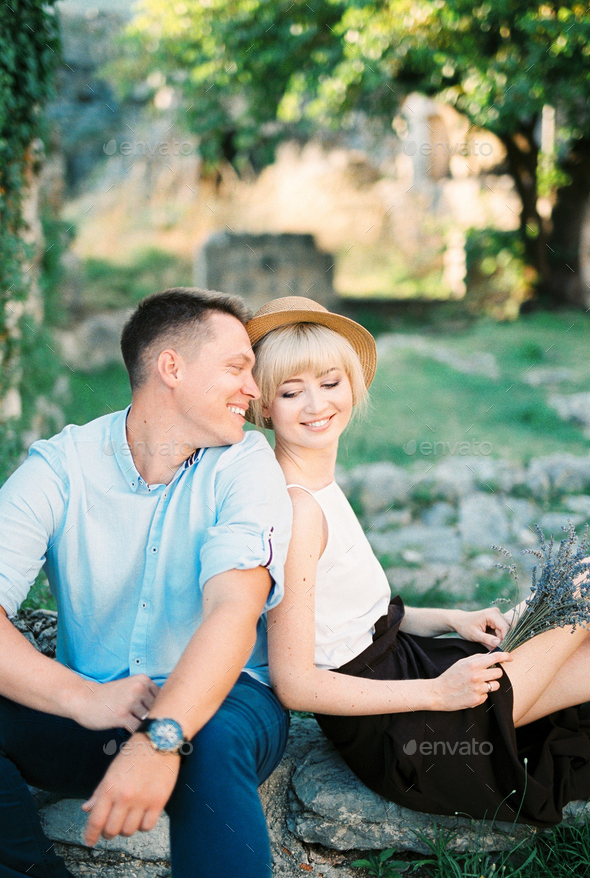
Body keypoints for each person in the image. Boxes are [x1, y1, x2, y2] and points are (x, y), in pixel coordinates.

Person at [246, 295, 590, 828]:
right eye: (292, 391)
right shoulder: (297, 508)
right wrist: (439, 692)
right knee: (580, 599)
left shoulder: (317, 487)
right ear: (265, 404)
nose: (316, 405)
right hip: (404, 728)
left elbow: (356, 618)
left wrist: (452, 619)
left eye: (330, 383)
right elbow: (294, 682)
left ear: (353, 386)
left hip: (409, 668)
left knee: (578, 607)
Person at [0, 288, 293, 878]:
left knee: (208, 747)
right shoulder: (61, 466)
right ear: (171, 368)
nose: (254, 391)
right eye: (238, 368)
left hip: (228, 700)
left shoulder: (245, 463)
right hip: (99, 705)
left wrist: (163, 738)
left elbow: (233, 613)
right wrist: (84, 697)